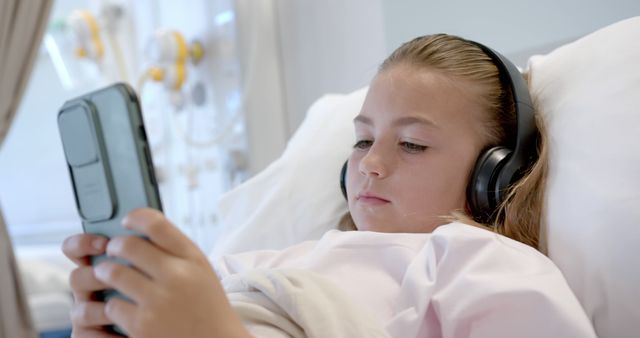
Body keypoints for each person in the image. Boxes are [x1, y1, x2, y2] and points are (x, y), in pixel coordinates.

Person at [62, 34, 595, 338]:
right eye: (362, 141)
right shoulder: (263, 261)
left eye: (411, 144)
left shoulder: (477, 262)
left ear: (493, 173)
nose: (372, 164)